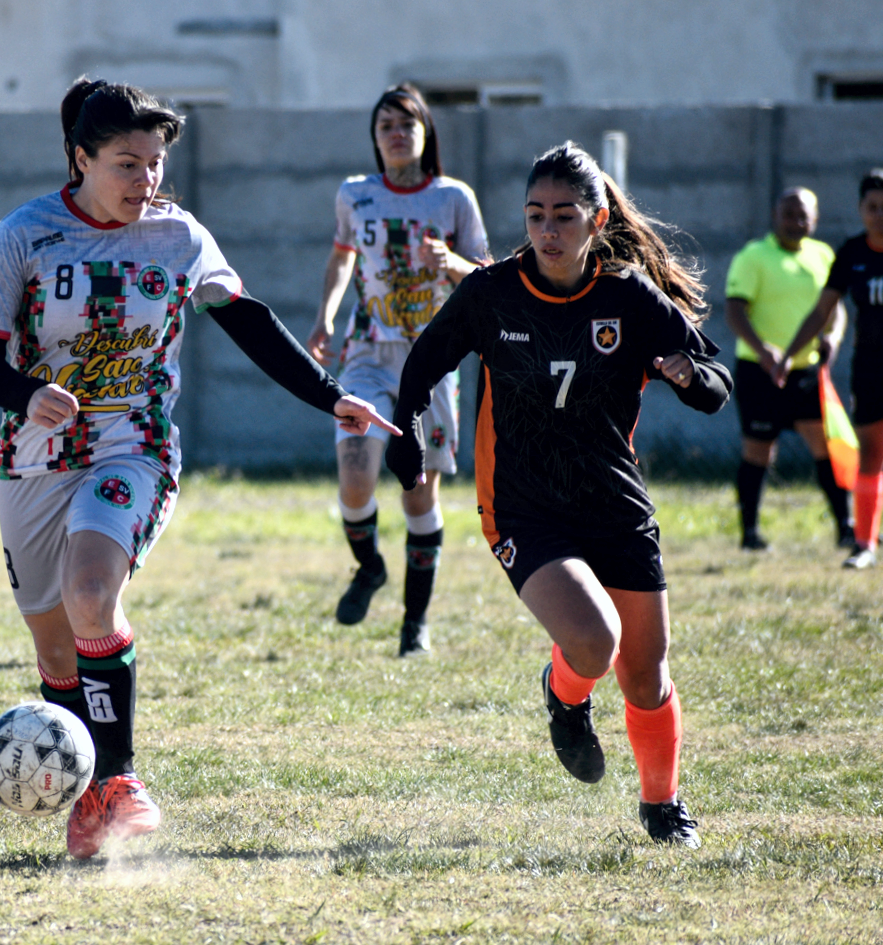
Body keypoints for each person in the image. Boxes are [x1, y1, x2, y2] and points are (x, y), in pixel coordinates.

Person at [0, 77, 394, 860]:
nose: (145, 181)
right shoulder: (25, 234)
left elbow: (247, 320)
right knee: (56, 650)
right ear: (81, 157)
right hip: (35, 462)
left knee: (93, 594)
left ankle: (119, 779)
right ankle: (88, 793)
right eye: (127, 163)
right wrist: (29, 395)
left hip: (135, 447)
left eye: (155, 163)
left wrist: (331, 398)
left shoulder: (179, 237)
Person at [386, 142, 731, 848]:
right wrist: (409, 430)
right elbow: (424, 362)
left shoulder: (629, 295)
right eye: (536, 215)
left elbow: (714, 383)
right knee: (593, 638)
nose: (548, 230)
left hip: (614, 501)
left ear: (597, 220)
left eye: (565, 216)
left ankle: (662, 804)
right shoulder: (491, 292)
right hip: (523, 502)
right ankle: (565, 695)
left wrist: (690, 377)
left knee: (644, 674)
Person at [304, 84, 489, 654]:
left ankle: (416, 625)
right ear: (374, 136)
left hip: (432, 361)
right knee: (355, 473)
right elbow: (342, 257)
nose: (397, 132)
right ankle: (368, 567)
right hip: (366, 354)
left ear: (426, 132)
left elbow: (485, 274)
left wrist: (451, 262)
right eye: (386, 123)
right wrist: (326, 317)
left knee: (416, 495)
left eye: (407, 123)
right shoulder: (354, 194)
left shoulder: (453, 197)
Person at [781, 170, 883, 568]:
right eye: (872, 207)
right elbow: (822, 310)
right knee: (871, 451)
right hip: (870, 365)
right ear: (861, 211)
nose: (880, 214)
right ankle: (865, 544)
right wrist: (790, 353)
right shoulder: (852, 254)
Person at [724, 188, 850, 551]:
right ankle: (750, 532)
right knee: (759, 451)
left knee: (824, 444)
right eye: (789, 213)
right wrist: (764, 350)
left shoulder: (824, 255)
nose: (796, 221)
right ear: (775, 215)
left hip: (806, 370)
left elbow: (835, 307)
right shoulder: (753, 256)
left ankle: (846, 526)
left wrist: (834, 336)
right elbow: (734, 311)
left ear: (815, 218)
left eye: (803, 214)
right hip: (759, 370)